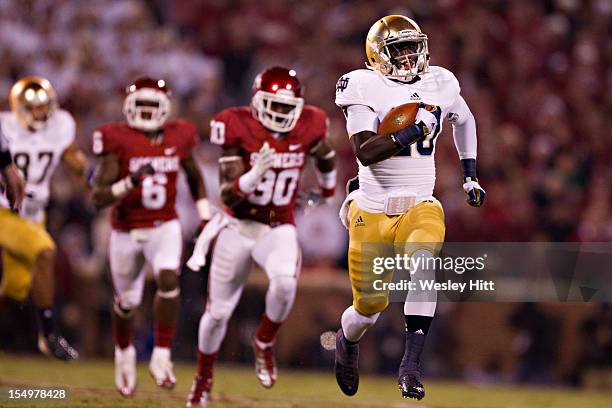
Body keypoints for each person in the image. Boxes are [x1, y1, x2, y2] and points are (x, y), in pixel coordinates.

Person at [334, 15, 485, 400]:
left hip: (420, 203)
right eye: (398, 49)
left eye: (412, 47)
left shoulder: (441, 81)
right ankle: (346, 342)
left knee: (423, 263)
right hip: (372, 207)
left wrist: (470, 174)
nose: (407, 56)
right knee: (367, 309)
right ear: (376, 54)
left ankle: (410, 366)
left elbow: (464, 120)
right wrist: (416, 129)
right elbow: (366, 151)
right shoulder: (363, 85)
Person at [185, 66, 337, 407]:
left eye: (287, 107)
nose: (281, 113)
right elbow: (228, 195)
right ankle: (202, 380)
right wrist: (254, 174)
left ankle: (264, 343)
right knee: (218, 313)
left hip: (278, 225)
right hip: (238, 225)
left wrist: (326, 191)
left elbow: (325, 155)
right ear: (257, 102)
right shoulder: (235, 125)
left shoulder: (311, 123)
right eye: (275, 105)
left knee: (285, 284)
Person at [90, 77, 210, 397]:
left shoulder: (180, 134)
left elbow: (194, 175)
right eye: (139, 105)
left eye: (151, 105)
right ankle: (125, 353)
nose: (145, 111)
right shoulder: (116, 138)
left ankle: (161, 354)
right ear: (128, 107)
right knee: (127, 303)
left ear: (165, 108)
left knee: (169, 279)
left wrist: (204, 213)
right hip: (126, 230)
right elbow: (98, 197)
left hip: (164, 225)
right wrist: (128, 182)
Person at [0, 76, 86, 361]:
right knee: (45, 252)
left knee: (14, 290)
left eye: (44, 107)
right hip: (5, 210)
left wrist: (84, 168)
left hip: (36, 215)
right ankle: (49, 335)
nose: (41, 114)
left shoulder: (61, 124)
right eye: (34, 108)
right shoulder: (5, 125)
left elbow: (72, 158)